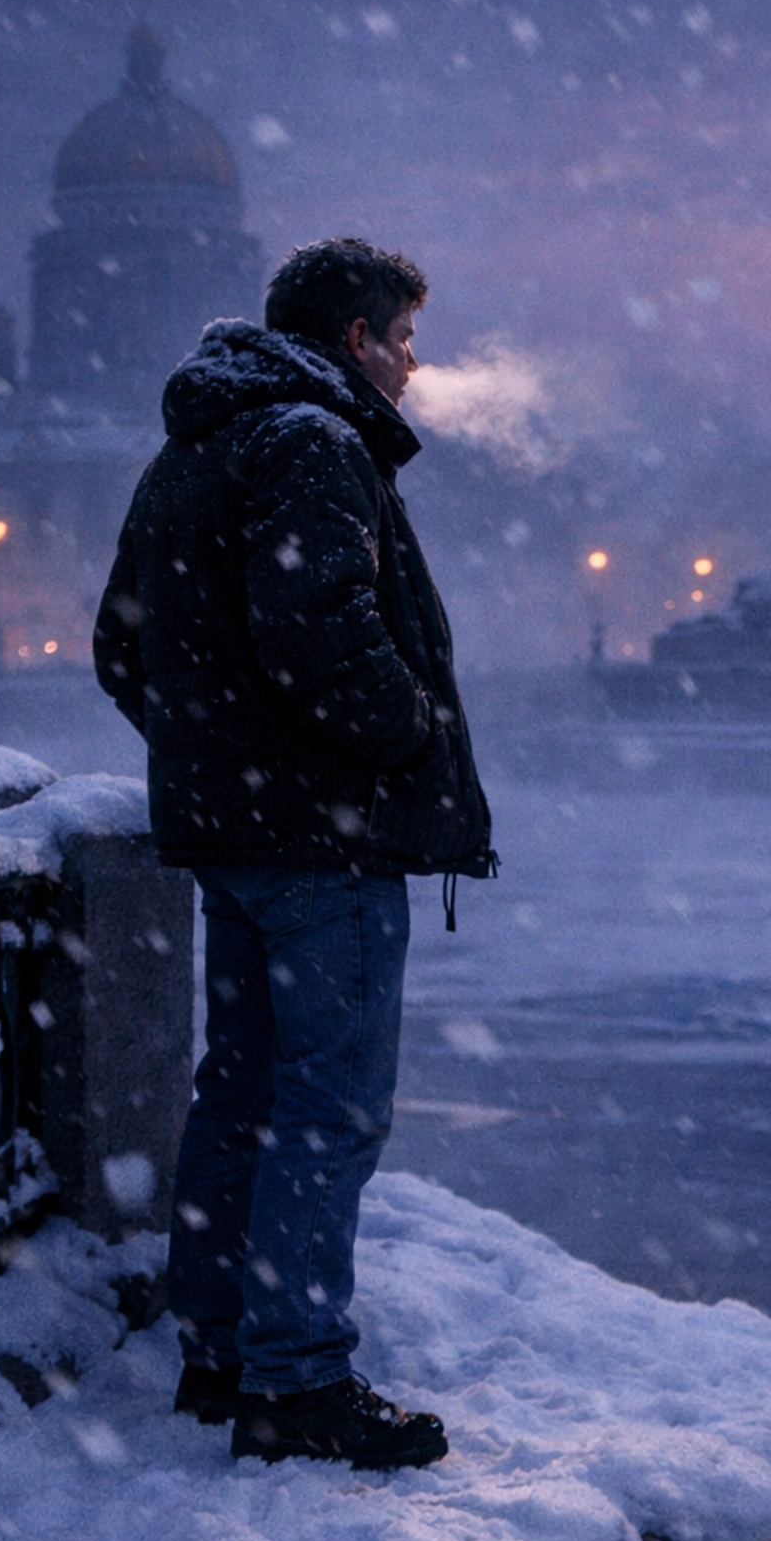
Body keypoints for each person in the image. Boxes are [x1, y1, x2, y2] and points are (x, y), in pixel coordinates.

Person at [93, 237, 495, 1471]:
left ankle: (221, 1350)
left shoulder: (197, 444)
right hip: (322, 842)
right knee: (330, 1108)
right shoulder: (315, 443)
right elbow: (321, 633)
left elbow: (121, 648)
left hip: (237, 835)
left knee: (244, 1091)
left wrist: (216, 757)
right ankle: (298, 1377)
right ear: (358, 340)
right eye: (406, 341)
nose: (417, 369)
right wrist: (402, 734)